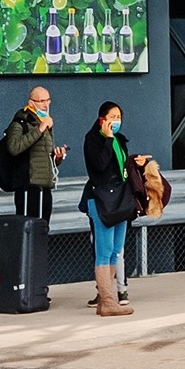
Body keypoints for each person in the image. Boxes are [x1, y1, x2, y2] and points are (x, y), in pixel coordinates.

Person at [77, 101, 138, 317]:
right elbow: (100, 166)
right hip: (101, 200)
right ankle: (108, 300)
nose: (116, 120)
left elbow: (120, 169)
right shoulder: (93, 139)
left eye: (119, 116)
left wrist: (134, 163)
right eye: (112, 116)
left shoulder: (120, 140)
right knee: (103, 252)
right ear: (102, 118)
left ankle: (107, 300)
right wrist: (107, 140)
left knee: (115, 250)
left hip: (120, 200)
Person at [0, 87, 67, 218]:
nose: (46, 105)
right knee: (28, 230)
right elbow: (14, 147)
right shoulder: (20, 123)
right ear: (31, 103)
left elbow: (42, 156)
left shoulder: (45, 122)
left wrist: (57, 158)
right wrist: (40, 129)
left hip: (45, 186)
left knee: (42, 229)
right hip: (28, 187)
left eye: (48, 100)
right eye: (41, 101)